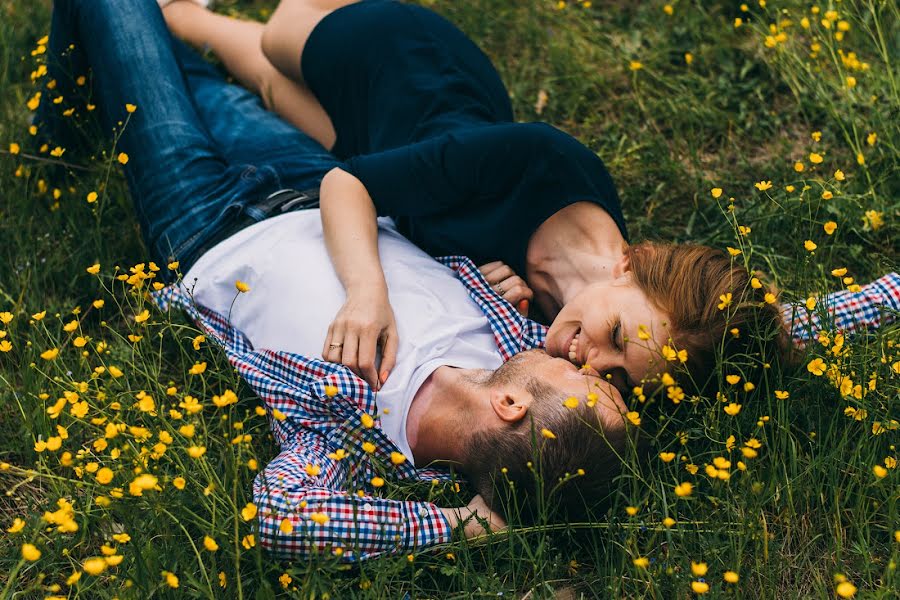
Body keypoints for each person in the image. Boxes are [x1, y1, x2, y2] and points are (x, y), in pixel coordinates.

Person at [40, 0, 631, 560]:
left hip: (204, 225)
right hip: (321, 183)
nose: (578, 362)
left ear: (510, 405)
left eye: (582, 382)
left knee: (117, 16)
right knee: (176, 74)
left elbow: (281, 519)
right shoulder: (512, 339)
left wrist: (457, 525)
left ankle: (55, 140)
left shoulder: (364, 447)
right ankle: (93, 99)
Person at [159, 0, 789, 396]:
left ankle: (185, 21)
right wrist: (366, 292)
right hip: (395, 61)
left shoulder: (551, 314)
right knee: (279, 40)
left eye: (620, 377)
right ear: (633, 262)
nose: (591, 362)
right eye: (616, 336)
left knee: (274, 90)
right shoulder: (541, 161)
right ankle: (185, 16)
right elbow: (346, 185)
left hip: (384, 151)